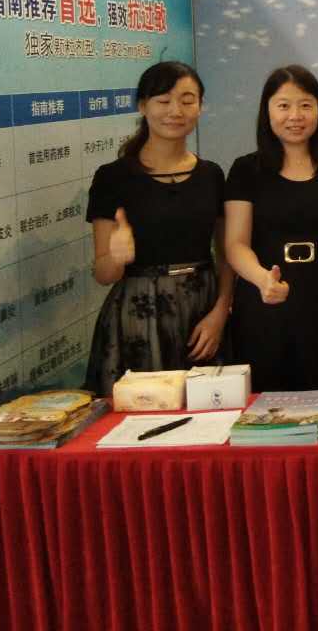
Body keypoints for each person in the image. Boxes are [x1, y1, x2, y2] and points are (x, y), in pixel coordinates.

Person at [85, 61, 233, 396]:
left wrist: (220, 313)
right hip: (137, 317)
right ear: (143, 106)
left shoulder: (211, 175)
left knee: (210, 411)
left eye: (187, 100)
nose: (175, 111)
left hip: (203, 311)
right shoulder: (113, 178)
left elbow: (226, 255)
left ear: (200, 106)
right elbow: (103, 274)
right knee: (142, 412)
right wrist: (117, 257)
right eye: (163, 101)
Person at [224, 66, 318, 392]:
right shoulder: (246, 169)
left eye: (305, 105)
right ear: (267, 111)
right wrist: (262, 280)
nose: (295, 116)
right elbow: (235, 244)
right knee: (262, 405)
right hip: (262, 305)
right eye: (283, 105)